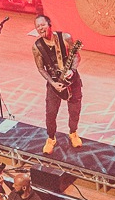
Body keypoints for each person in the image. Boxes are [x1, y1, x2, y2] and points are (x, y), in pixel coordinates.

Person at [30, 14, 83, 155]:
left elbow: (76, 56)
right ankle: (51, 138)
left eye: (42, 25)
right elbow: (41, 68)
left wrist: (72, 70)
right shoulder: (37, 47)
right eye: (37, 27)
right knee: (51, 113)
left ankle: (73, 133)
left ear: (49, 24)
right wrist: (53, 83)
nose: (40, 28)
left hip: (72, 81)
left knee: (74, 110)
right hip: (54, 84)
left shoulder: (65, 38)